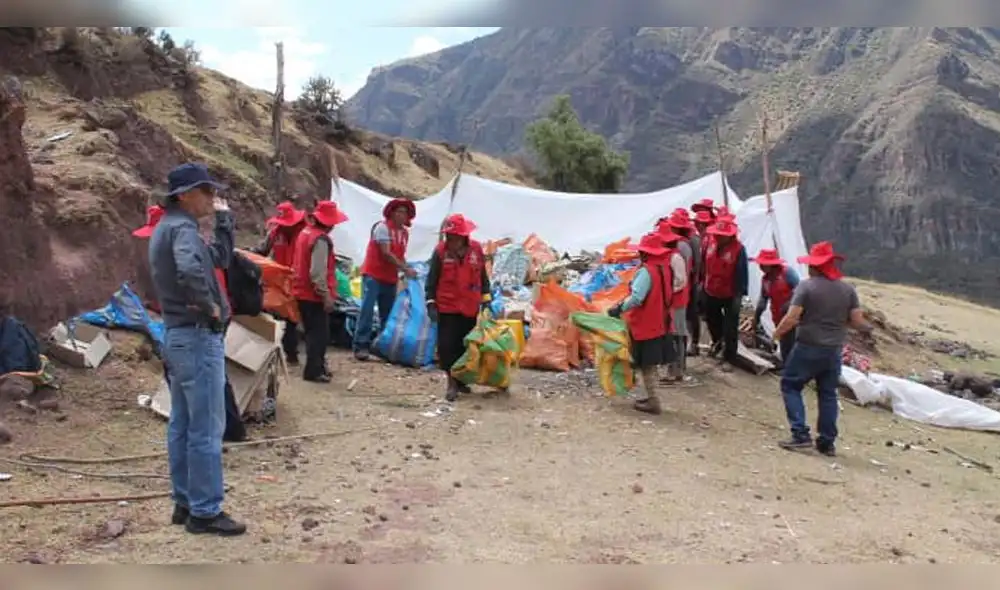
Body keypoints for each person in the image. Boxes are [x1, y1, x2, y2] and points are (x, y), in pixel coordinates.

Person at [148, 162, 245, 536]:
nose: (212, 198)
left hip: (177, 334)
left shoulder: (168, 228)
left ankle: (186, 501)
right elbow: (190, 271)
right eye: (206, 192)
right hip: (197, 333)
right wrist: (211, 306)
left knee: (184, 423)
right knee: (206, 426)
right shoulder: (183, 230)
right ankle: (205, 511)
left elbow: (218, 258)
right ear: (186, 195)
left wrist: (223, 223)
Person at [134, 202, 247, 444]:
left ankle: (225, 428)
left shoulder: (182, 249)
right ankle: (229, 428)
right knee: (212, 375)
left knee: (205, 376)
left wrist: (209, 308)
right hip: (202, 318)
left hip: (200, 321)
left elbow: (195, 280)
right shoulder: (185, 245)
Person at [772, 241, 872, 456]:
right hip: (834, 350)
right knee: (828, 394)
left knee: (790, 385)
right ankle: (827, 442)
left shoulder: (806, 287)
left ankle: (800, 434)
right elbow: (857, 321)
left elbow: (792, 317)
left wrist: (777, 333)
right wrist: (868, 329)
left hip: (808, 346)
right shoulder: (847, 289)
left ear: (814, 266)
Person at [425, 214, 492, 402]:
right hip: (447, 307)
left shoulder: (476, 250)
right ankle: (451, 383)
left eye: (454, 237)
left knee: (465, 346)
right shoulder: (440, 252)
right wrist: (431, 303)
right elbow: (431, 280)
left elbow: (482, 277)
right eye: (448, 236)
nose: (450, 241)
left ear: (463, 237)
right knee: (447, 346)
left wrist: (486, 298)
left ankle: (460, 380)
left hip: (469, 306)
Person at [608, 232, 673, 415]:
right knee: (649, 363)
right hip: (661, 320)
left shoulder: (646, 271)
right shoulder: (665, 268)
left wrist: (618, 308)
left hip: (646, 323)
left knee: (647, 364)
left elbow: (637, 298)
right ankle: (651, 397)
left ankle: (653, 401)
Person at [291, 200, 348, 383]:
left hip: (301, 289)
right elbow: (317, 271)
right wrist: (325, 295)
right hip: (312, 294)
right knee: (319, 334)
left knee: (311, 332)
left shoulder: (305, 233)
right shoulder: (320, 239)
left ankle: (317, 367)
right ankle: (314, 370)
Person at [353, 198, 417, 361]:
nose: (402, 216)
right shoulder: (382, 228)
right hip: (373, 274)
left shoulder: (404, 234)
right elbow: (386, 253)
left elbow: (400, 255)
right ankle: (361, 345)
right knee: (367, 309)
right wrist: (405, 269)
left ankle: (382, 345)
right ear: (392, 213)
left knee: (387, 312)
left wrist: (404, 271)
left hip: (389, 277)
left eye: (405, 212)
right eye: (399, 212)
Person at [254, 201, 306, 366]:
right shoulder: (275, 233)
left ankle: (291, 352)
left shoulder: (304, 233)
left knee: (293, 317)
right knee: (277, 314)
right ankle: (281, 351)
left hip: (299, 279)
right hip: (278, 278)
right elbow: (262, 250)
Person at [702, 218, 748, 367]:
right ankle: (718, 343)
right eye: (717, 234)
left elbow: (742, 273)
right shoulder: (710, 244)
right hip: (711, 289)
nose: (718, 237)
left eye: (721, 235)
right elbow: (704, 264)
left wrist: (739, 294)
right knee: (711, 319)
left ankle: (730, 358)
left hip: (731, 293)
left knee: (730, 326)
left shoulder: (739, 249)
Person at [750, 248, 800, 365]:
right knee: (784, 342)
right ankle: (786, 365)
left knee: (792, 341)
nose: (760, 267)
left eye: (763, 264)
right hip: (778, 316)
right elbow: (763, 299)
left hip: (792, 317)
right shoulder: (765, 280)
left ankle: (792, 368)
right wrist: (756, 316)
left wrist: (789, 305)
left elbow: (799, 292)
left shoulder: (787, 273)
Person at [664, 209, 702, 362]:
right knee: (679, 327)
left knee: (678, 329)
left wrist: (667, 291)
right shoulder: (684, 244)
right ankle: (677, 365)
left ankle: (678, 367)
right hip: (682, 291)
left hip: (679, 294)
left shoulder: (681, 247)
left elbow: (681, 277)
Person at [656, 223, 689, 383]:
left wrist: (666, 292)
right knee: (672, 334)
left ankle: (676, 370)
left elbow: (681, 281)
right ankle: (675, 368)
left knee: (675, 335)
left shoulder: (675, 258)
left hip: (676, 302)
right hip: (670, 301)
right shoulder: (668, 256)